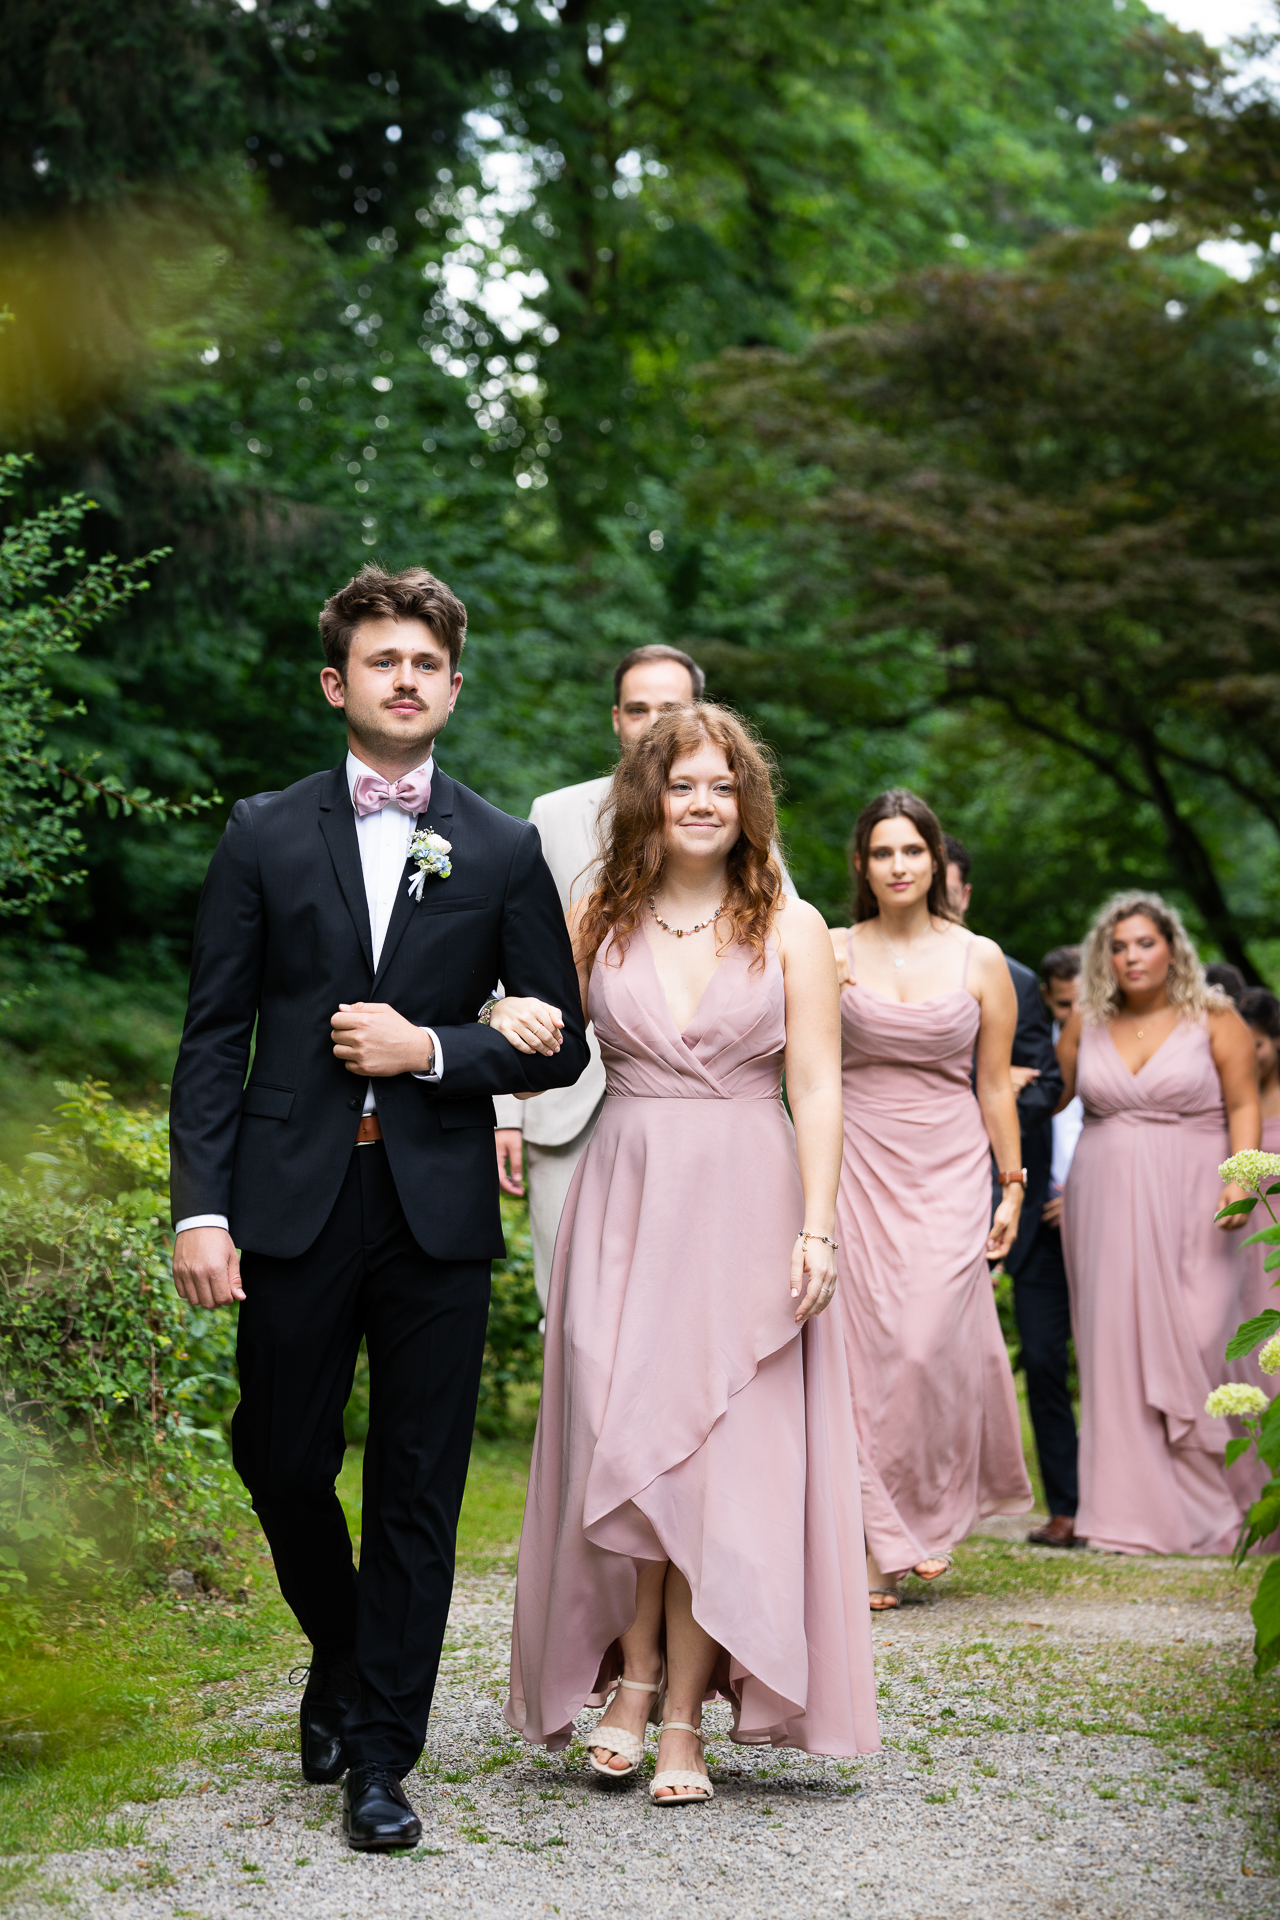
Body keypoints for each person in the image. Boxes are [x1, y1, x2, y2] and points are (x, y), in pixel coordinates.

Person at [168, 566, 589, 1851]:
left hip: (434, 1208)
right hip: (290, 1199)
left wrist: (439, 1050)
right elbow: (213, 1036)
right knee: (279, 1457)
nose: (404, 679)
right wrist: (199, 1210)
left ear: (453, 688)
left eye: (425, 663)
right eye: (381, 660)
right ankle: (343, 1654)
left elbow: (562, 1044)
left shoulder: (502, 848)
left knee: (418, 1482)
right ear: (335, 682)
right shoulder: (261, 832)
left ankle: (380, 1757)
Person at [502, 706, 879, 1800]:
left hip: (747, 1202)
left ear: (746, 803)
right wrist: (490, 1024)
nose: (703, 802)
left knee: (712, 1464)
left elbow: (817, 1086)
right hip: (624, 1199)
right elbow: (534, 1036)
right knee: (626, 1443)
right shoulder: (596, 913)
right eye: (682, 785)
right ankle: (630, 1683)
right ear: (648, 800)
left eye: (722, 785)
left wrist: (818, 1226)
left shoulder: (792, 925)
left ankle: (674, 1716)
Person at [493, 644, 797, 1311]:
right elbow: (519, 963)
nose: (655, 723)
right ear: (616, 719)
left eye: (671, 707)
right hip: (569, 1102)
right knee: (578, 1310)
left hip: (716, 1101)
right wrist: (504, 1113)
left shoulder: (728, 812)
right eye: (639, 709)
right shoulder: (554, 814)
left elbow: (786, 947)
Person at [830, 792, 1032, 1612]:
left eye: (912, 850)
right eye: (883, 852)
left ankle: (919, 1513)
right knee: (858, 1351)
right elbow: (792, 1063)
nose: (899, 866)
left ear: (936, 860)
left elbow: (995, 1085)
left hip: (949, 1163)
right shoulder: (832, 949)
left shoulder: (981, 959)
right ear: (861, 865)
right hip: (855, 1159)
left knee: (923, 1344)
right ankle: (874, 1545)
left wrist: (1011, 1186)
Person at [1057, 892, 1259, 1556]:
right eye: (1118, 947)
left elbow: (1244, 1103)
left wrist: (1240, 1181)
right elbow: (1055, 1095)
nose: (1131, 957)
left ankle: (1218, 1507)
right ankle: (1127, 1515)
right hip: (1104, 1198)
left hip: (1197, 1194)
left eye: (1145, 943)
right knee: (1114, 1348)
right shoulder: (1087, 1019)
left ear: (1172, 947)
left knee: (1203, 1334)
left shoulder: (1214, 1017)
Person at [941, 840, 1076, 1547]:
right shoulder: (858, 963)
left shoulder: (1013, 977)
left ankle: (1067, 1505)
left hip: (1006, 1181)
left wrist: (999, 1098)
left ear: (965, 893)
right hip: (905, 1175)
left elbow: (1047, 1084)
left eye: (945, 886)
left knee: (1042, 1355)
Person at [1010, 946, 1085, 1547]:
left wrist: (1082, 1195)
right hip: (1038, 1226)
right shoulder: (1033, 1048)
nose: (1073, 1014)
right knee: (1041, 1360)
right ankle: (1066, 1505)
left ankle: (1117, 1500)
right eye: (1063, 1005)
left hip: (1108, 1221)